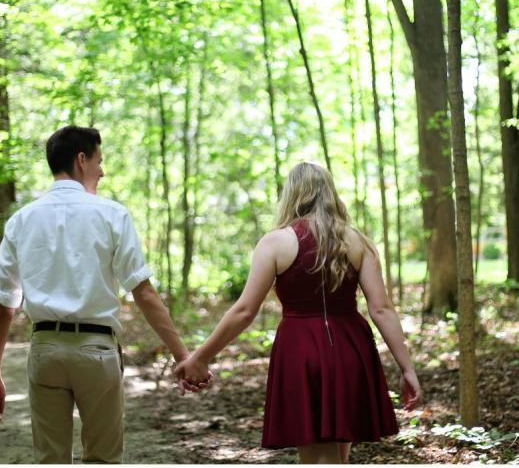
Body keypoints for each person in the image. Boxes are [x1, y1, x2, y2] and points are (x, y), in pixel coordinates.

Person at [0, 125, 209, 464]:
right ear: (81, 159)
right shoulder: (112, 214)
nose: (102, 171)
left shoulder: (21, 221)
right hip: (97, 352)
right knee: (103, 460)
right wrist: (182, 357)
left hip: (44, 352)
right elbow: (143, 293)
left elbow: (4, 307)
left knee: (50, 459)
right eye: (99, 161)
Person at [174, 161, 422, 464]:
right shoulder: (357, 241)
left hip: (301, 351)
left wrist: (200, 356)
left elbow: (244, 310)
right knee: (336, 455)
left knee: (318, 457)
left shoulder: (276, 241)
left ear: (291, 195)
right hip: (351, 348)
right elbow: (381, 309)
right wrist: (406, 367)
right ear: (329, 193)